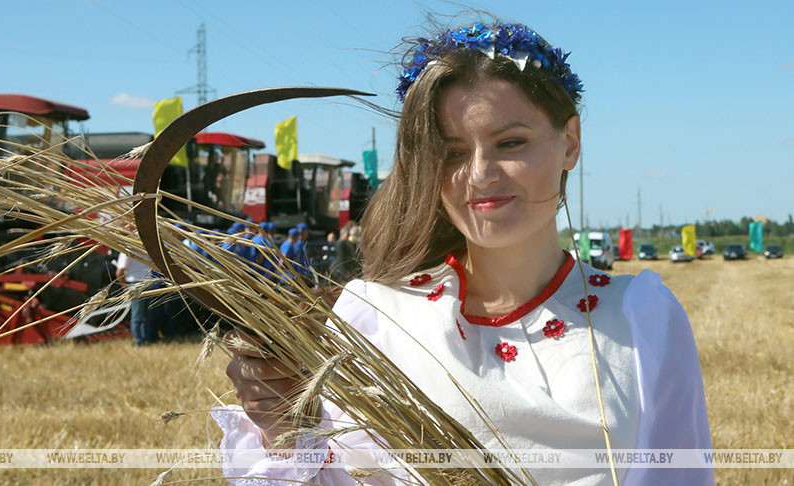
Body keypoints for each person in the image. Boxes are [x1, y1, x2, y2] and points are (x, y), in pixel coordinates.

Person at [214, 20, 712, 485]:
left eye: (510, 142)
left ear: (570, 142)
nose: (478, 175)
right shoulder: (377, 316)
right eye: (451, 153)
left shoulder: (639, 316)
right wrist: (280, 432)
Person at [115, 252, 157, 346]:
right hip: (135, 284)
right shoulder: (126, 250)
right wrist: (125, 288)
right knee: (138, 315)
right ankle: (139, 341)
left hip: (146, 282)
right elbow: (119, 272)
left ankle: (145, 340)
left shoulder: (143, 248)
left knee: (145, 314)